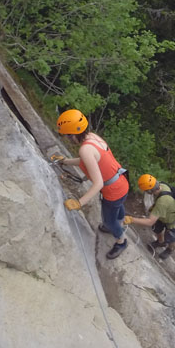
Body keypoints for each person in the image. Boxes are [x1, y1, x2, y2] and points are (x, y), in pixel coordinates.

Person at [55, 109, 129, 259]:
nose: (68, 139)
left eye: (68, 135)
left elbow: (98, 183)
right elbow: (89, 161)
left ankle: (121, 241)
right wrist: (65, 161)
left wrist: (79, 203)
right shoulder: (92, 137)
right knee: (118, 206)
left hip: (113, 191)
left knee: (109, 221)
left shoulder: (85, 149)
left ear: (74, 133)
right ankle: (120, 220)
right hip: (122, 182)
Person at [123, 174, 175, 260]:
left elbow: (150, 221)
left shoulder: (162, 202)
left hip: (173, 221)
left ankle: (170, 249)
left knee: (170, 237)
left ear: (150, 191)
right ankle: (160, 242)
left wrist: (131, 219)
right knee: (157, 229)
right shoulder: (162, 185)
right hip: (163, 215)